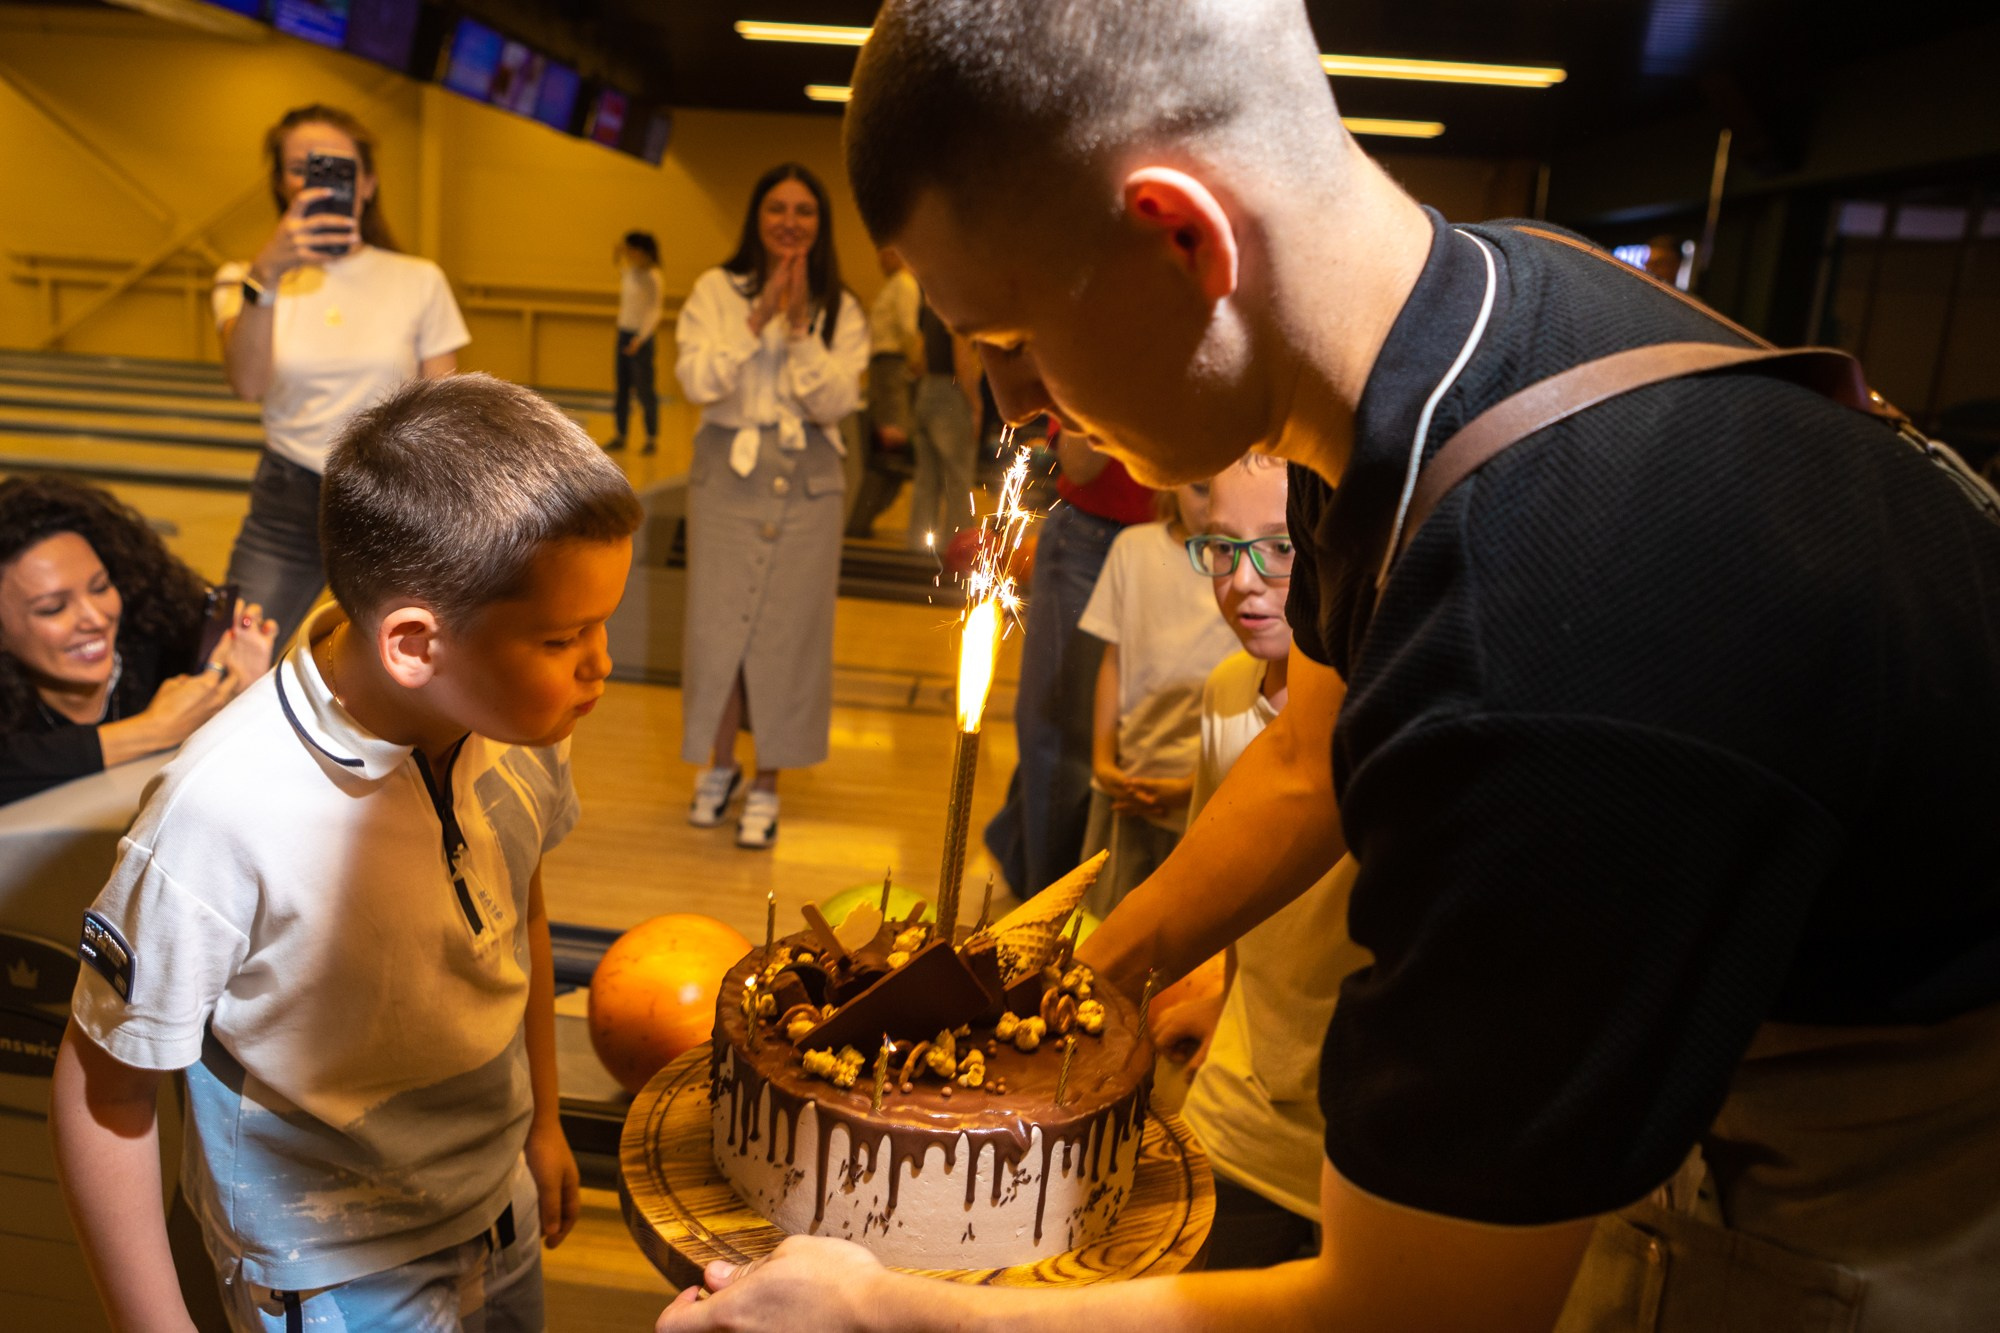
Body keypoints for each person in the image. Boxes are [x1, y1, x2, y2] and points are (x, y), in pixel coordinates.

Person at [658, 2, 2000, 1331]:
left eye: (1008, 340)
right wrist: (1081, 975)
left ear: (1181, 236)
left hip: (1890, 1166)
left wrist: (885, 1312)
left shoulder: (1543, 640)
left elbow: (1409, 1312)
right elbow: (1307, 760)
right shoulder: (1440, 334)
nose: (1014, 410)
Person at [52, 373, 641, 1332]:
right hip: (332, 1272)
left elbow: (517, 898)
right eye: (566, 635)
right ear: (415, 643)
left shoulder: (512, 717)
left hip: (498, 1204)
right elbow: (99, 1087)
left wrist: (542, 1123)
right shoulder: (220, 813)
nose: (600, 663)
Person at [1151, 456, 1368, 1269]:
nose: (1244, 582)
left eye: (1278, 550)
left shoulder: (1371, 728)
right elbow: (1231, 889)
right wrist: (1223, 1001)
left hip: (1348, 1127)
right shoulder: (1223, 695)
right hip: (1240, 1111)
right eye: (1221, 549)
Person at [216, 103, 470, 647]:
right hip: (288, 499)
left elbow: (440, 409)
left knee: (400, 670)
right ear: (283, 184)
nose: (315, 179)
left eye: (332, 165)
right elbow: (248, 383)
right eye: (299, 166)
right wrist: (267, 277)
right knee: (228, 657)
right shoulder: (244, 278)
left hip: (389, 498)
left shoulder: (419, 280)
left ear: (368, 182)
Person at [674, 163, 869, 849]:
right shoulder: (714, 292)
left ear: (822, 224)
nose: (791, 221)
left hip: (810, 482)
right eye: (778, 207)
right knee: (717, 628)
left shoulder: (842, 307)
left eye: (806, 211)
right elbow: (698, 379)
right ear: (757, 215)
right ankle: (720, 764)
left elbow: (836, 402)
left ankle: (768, 782)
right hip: (728, 475)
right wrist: (757, 319)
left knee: (789, 638)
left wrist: (796, 328)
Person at [0, 476, 277, 806]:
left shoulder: (167, 650)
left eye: (101, 587)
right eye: (53, 608)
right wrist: (153, 730)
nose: (96, 618)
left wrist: (247, 708)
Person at [984, 428, 1157, 898]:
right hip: (1092, 537)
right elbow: (1080, 464)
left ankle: (1016, 850)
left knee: (1147, 729)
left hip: (1187, 539)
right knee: (1064, 738)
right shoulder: (1096, 355)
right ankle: (1045, 906)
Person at [1077, 482, 1237, 916]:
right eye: (1202, 488)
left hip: (1204, 795)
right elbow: (1114, 659)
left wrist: (1191, 786)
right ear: (1170, 478)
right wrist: (1103, 760)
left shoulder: (1244, 569)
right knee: (1105, 921)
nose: (1213, 504)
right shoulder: (1133, 548)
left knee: (1180, 927)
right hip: (1127, 782)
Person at [845, 247, 923, 538]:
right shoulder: (893, 285)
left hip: (893, 366)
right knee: (881, 449)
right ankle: (862, 519)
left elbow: (907, 328)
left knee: (892, 445)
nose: (880, 259)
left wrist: (914, 363)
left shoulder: (904, 283)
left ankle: (865, 518)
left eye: (885, 253)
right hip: (881, 367)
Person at [905, 300, 985, 549]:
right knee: (958, 480)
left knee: (926, 481)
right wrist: (975, 404)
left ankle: (917, 552)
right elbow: (961, 357)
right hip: (951, 394)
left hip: (927, 390)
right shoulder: (956, 301)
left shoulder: (930, 301)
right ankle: (957, 551)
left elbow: (918, 360)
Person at [607, 230, 665, 454]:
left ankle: (651, 438)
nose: (630, 254)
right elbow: (617, 262)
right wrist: (618, 251)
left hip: (641, 339)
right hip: (623, 333)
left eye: (633, 250)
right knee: (621, 387)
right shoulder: (630, 271)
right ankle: (620, 435)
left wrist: (640, 339)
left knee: (644, 390)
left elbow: (655, 311)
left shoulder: (654, 276)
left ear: (643, 252)